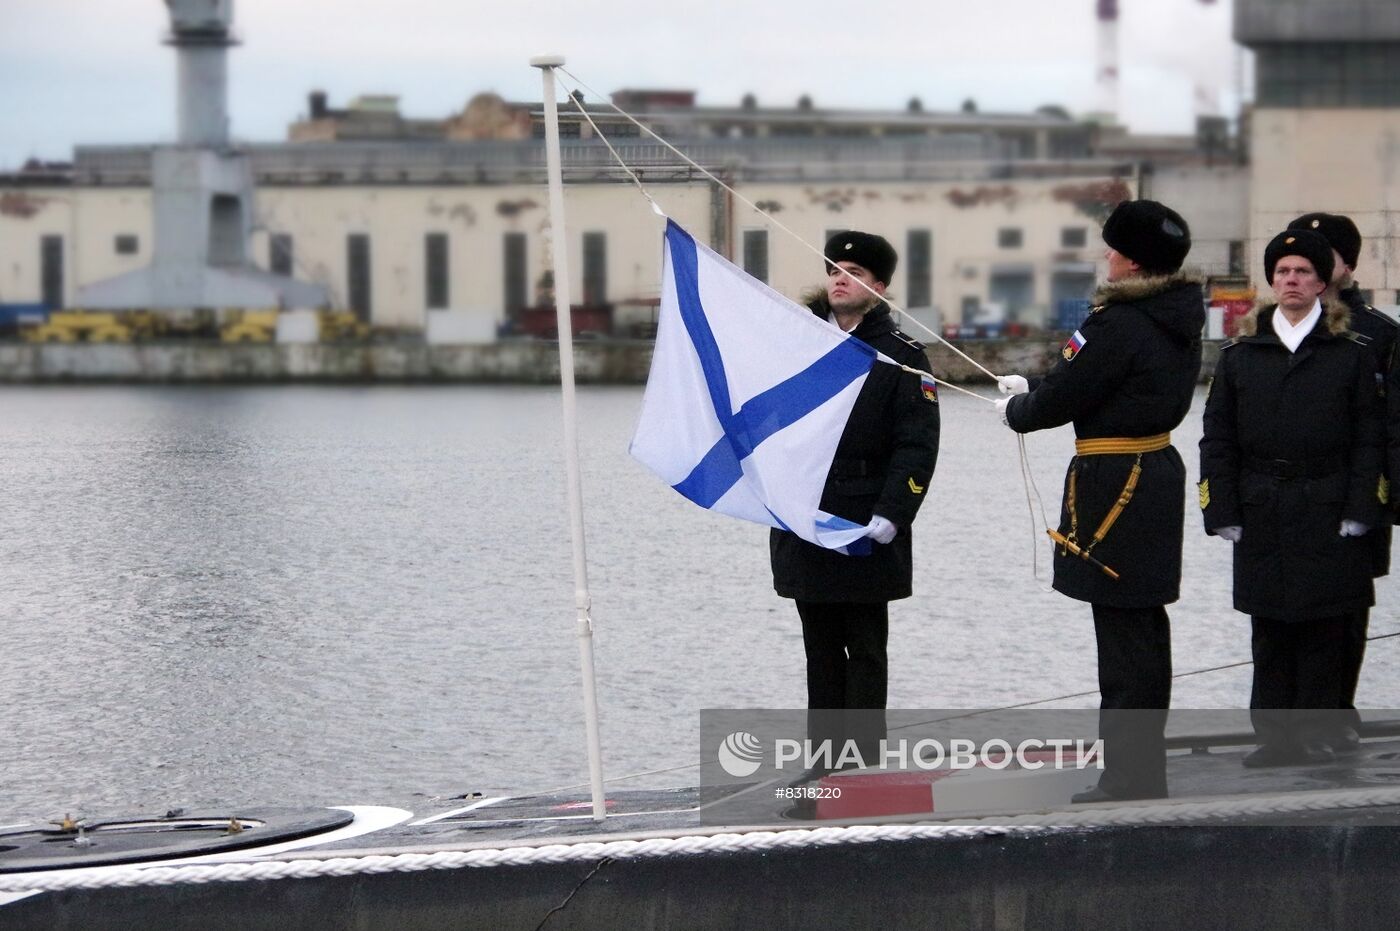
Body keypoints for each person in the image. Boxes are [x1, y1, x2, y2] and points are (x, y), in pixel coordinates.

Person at [996, 200, 1203, 802]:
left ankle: (1130, 778)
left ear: (1132, 259)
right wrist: (1036, 387)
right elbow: (1111, 387)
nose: (1104, 257)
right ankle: (1142, 770)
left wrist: (1021, 408)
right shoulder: (1176, 317)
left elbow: (1069, 396)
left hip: (1117, 481)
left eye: (1111, 248)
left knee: (1122, 637)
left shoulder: (1119, 322)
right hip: (1155, 469)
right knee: (1142, 626)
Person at [1199, 229, 1386, 768]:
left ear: (1322, 283)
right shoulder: (1241, 354)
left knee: (1324, 626)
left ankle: (1316, 733)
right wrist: (1222, 509)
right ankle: (1275, 737)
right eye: (1283, 272)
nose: (1292, 280)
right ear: (1272, 281)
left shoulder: (1348, 353)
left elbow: (1368, 440)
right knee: (1270, 627)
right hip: (1263, 505)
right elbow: (1218, 437)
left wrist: (1361, 508)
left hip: (1327, 503)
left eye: (1302, 272)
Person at [770, 230, 940, 776]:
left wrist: (893, 513)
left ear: (880, 288)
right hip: (805, 515)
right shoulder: (798, 341)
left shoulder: (903, 355)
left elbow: (918, 443)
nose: (841, 280)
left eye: (856, 274)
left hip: (866, 518)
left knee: (864, 650)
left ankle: (864, 768)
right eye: (835, 270)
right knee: (819, 651)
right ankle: (824, 766)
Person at [1285, 212, 1398, 753]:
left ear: (1346, 264)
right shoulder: (1275, 330)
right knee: (1280, 608)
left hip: (1359, 495)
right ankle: (1287, 723)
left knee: (1347, 611)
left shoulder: (1379, 334)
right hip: (1289, 496)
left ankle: (1334, 714)